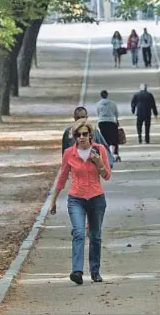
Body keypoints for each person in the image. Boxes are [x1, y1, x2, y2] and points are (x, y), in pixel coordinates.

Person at [50, 118, 111, 284]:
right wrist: (53, 200)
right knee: (78, 232)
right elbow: (62, 177)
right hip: (76, 198)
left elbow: (107, 176)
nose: (82, 137)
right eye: (78, 134)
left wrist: (98, 162)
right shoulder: (69, 153)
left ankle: (95, 271)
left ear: (90, 135)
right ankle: (77, 271)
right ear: (75, 136)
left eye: (85, 134)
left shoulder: (99, 150)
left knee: (95, 236)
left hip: (96, 198)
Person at [96, 90, 121, 162]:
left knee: (104, 138)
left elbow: (98, 113)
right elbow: (115, 112)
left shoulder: (98, 104)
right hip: (111, 121)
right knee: (114, 138)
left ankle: (105, 154)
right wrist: (116, 119)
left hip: (102, 122)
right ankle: (115, 153)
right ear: (107, 95)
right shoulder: (112, 103)